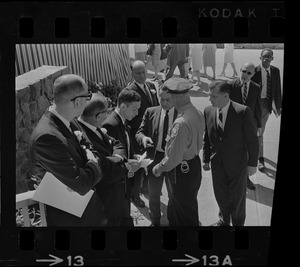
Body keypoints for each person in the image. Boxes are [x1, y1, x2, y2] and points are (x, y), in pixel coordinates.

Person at [29, 74, 107, 227]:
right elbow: (82, 184)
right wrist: (91, 161)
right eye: (88, 96)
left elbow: (91, 148)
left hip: (89, 210)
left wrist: (90, 161)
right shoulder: (46, 137)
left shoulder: (70, 120)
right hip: (72, 220)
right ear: (78, 101)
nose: (88, 100)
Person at [202, 81, 259, 226]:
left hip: (237, 165)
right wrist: (206, 159)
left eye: (214, 97)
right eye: (210, 96)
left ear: (226, 96)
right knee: (221, 196)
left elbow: (252, 140)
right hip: (217, 165)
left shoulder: (242, 111)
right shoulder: (208, 111)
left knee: (237, 200)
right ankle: (224, 220)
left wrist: (252, 164)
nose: (210, 99)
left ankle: (238, 224)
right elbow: (207, 138)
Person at [77, 92, 137, 226]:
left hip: (117, 197)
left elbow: (117, 143)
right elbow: (106, 170)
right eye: (106, 111)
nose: (109, 114)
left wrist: (116, 157)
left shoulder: (94, 127)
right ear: (98, 116)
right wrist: (126, 166)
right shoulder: (84, 137)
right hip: (106, 202)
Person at [152, 77, 205, 226]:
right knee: (188, 206)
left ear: (175, 97)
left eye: (171, 97)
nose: (170, 101)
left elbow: (173, 160)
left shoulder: (180, 123)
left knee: (184, 214)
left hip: (181, 171)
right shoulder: (197, 112)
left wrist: (158, 168)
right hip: (193, 165)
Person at [136, 85, 177, 226]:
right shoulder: (150, 112)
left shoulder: (182, 114)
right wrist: (143, 139)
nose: (164, 103)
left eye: (168, 100)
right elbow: (139, 132)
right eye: (161, 99)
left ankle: (173, 221)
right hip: (155, 158)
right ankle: (155, 222)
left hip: (173, 158)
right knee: (153, 195)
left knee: (173, 194)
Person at [102, 88, 142, 226]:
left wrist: (132, 155)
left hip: (125, 182)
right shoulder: (110, 124)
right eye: (135, 109)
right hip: (116, 186)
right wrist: (128, 164)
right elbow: (110, 158)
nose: (137, 113)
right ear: (123, 106)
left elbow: (124, 146)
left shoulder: (124, 121)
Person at [127, 60, 159, 207]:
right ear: (132, 73)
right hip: (137, 134)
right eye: (138, 73)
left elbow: (156, 106)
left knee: (151, 160)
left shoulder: (151, 86)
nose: (142, 75)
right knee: (139, 165)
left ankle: (146, 188)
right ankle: (134, 195)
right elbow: (128, 116)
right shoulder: (129, 92)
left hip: (152, 133)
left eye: (144, 72)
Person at [228, 62, 262, 190]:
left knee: (247, 153)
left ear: (253, 74)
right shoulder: (231, 85)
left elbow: (257, 107)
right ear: (240, 70)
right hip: (232, 125)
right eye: (243, 71)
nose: (245, 75)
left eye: (249, 73)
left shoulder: (256, 87)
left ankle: (245, 178)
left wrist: (259, 125)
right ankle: (233, 177)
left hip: (248, 126)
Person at [251, 48, 282, 171]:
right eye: (264, 56)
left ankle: (259, 158)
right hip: (254, 106)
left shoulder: (275, 71)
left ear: (272, 58)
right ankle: (253, 156)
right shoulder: (254, 71)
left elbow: (277, 90)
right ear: (260, 58)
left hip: (266, 106)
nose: (267, 58)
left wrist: (277, 106)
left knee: (260, 131)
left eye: (269, 56)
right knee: (252, 131)